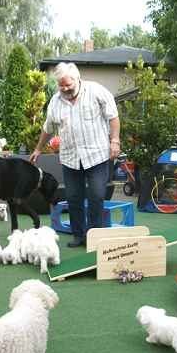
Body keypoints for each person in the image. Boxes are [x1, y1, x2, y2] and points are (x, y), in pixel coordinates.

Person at [30, 62, 120, 247]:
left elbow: (113, 116)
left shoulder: (96, 91)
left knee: (96, 196)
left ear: (78, 79)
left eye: (68, 85)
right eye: (61, 85)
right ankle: (79, 235)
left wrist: (115, 141)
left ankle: (94, 237)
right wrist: (38, 148)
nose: (64, 88)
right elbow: (48, 128)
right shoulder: (55, 101)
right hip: (70, 158)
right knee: (73, 198)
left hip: (97, 155)